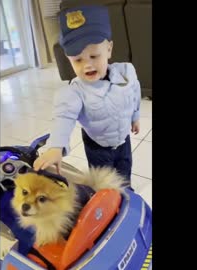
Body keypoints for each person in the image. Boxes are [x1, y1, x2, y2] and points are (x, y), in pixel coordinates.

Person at [33, 5, 141, 188]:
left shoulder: (126, 72)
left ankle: (127, 194)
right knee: (103, 184)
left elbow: (135, 92)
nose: (87, 65)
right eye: (78, 60)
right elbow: (63, 117)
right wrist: (55, 147)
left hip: (123, 139)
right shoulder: (74, 92)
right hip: (97, 147)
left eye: (93, 55)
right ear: (69, 59)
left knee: (124, 170)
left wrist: (135, 116)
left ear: (109, 49)